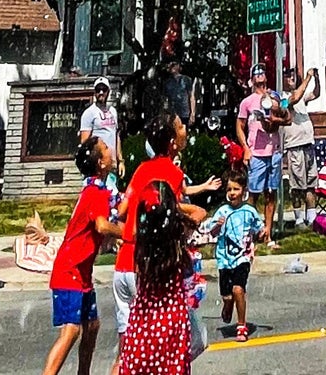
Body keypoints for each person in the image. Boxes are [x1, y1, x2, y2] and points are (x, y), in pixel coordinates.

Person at [110, 113, 219, 374]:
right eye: (181, 127)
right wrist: (192, 216)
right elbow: (167, 208)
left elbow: (125, 209)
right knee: (188, 342)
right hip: (149, 267)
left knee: (129, 352)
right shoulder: (171, 172)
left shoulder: (142, 169)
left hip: (125, 262)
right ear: (172, 141)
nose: (186, 130)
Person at [44, 135, 122, 375]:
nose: (110, 151)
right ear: (100, 163)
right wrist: (128, 234)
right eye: (106, 149)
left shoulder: (97, 189)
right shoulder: (95, 193)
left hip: (82, 271)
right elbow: (101, 225)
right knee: (72, 330)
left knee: (92, 326)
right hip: (70, 270)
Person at [117, 186, 192, 375]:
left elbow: (133, 229)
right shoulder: (177, 248)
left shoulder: (142, 250)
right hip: (171, 323)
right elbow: (199, 214)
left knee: (137, 367)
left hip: (143, 323)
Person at [203, 172, 262, 343]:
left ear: (244, 191)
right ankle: (228, 305)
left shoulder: (249, 211)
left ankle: (241, 325)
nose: (232, 192)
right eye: (229, 189)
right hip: (224, 258)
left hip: (243, 257)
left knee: (238, 290)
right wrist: (217, 226)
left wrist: (263, 233)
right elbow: (212, 233)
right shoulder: (222, 211)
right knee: (228, 296)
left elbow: (259, 228)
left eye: (236, 189)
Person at [235, 66, 287, 249]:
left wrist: (278, 116)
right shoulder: (247, 102)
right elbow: (239, 126)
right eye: (256, 74)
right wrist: (245, 149)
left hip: (274, 152)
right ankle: (249, 234)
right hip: (256, 153)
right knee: (253, 194)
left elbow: (287, 115)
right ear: (251, 79)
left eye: (263, 73)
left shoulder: (275, 97)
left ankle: (268, 234)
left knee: (271, 194)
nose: (260, 76)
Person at [280, 67, 319, 229]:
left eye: (293, 76)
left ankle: (312, 217)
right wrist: (308, 78)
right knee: (297, 185)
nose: (291, 78)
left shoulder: (301, 96)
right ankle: (298, 219)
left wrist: (316, 79)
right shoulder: (281, 97)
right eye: (288, 76)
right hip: (294, 146)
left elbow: (316, 94)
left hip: (308, 143)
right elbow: (294, 99)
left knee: (310, 183)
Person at [79, 81, 121, 175]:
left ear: (108, 91)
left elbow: (116, 136)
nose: (101, 92)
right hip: (97, 167)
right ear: (94, 92)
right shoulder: (89, 113)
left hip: (112, 164)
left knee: (111, 189)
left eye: (104, 89)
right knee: (97, 189)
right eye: (98, 90)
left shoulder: (113, 111)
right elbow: (85, 143)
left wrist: (120, 160)